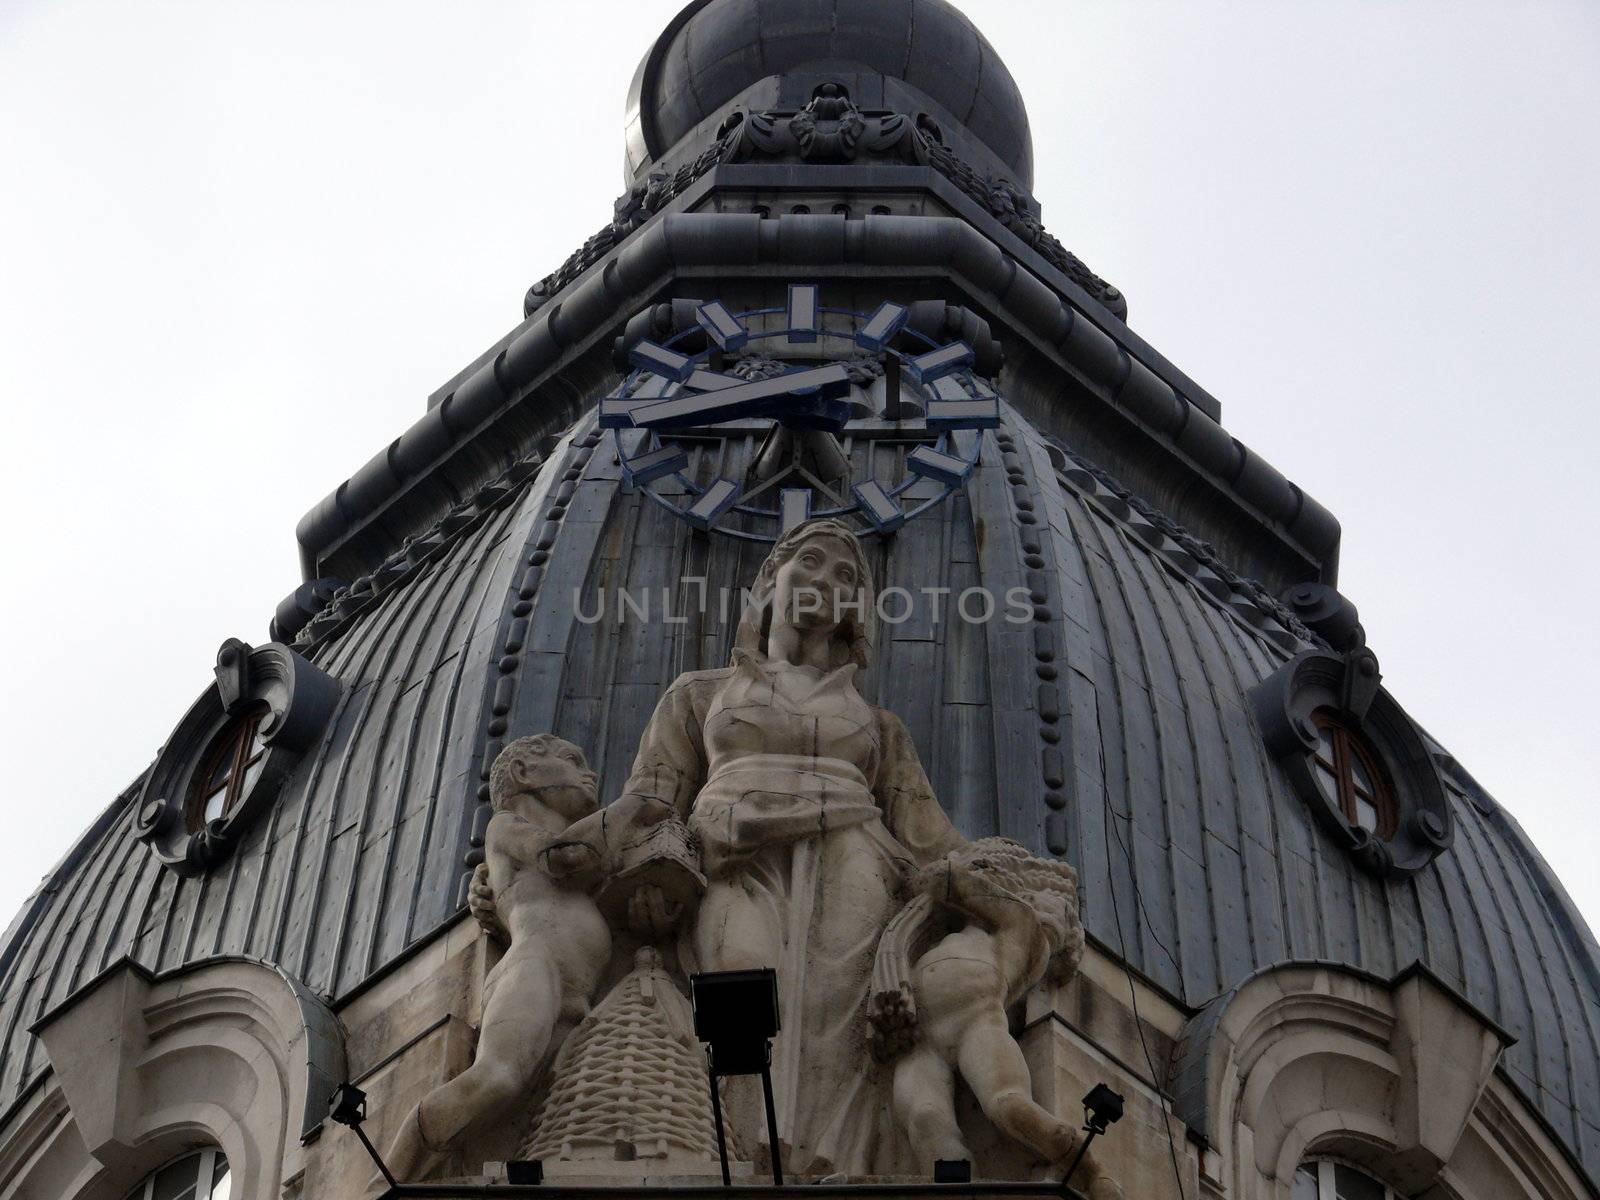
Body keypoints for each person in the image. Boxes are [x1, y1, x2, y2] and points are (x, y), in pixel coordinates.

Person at [610, 518, 968, 1173]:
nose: (823, 582)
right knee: (740, 981)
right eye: (810, 563)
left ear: (851, 611)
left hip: (850, 869)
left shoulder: (877, 729)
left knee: (834, 1028)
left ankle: (816, 1163)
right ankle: (728, 1148)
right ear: (772, 579)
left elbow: (932, 839)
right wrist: (550, 856)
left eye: (844, 577)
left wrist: (1007, 876)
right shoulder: (700, 693)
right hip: (735, 860)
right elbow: (647, 804)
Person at [385, 735, 611, 1183]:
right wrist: (636, 806)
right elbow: (564, 859)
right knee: (499, 1078)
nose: (592, 773)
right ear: (525, 774)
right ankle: (389, 1178)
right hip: (537, 966)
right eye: (572, 760)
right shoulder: (505, 825)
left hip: (577, 991)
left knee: (548, 1111)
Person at [868, 838, 1119, 1196]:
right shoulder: (985, 926)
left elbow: (950, 880)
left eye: (1061, 915)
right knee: (925, 1120)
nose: (1052, 916)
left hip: (977, 1026)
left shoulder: (1023, 925)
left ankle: (1093, 1170)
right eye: (1053, 907)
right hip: (919, 1038)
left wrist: (965, 865)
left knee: (1008, 1105)